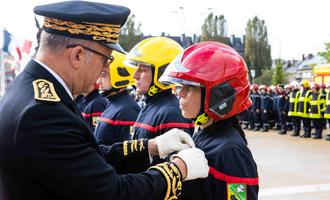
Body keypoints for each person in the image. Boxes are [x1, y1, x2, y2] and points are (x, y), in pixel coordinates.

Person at [0, 1, 209, 199]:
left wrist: (152, 146)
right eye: (105, 59)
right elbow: (112, 193)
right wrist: (178, 169)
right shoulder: (43, 113)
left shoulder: (31, 90)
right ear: (78, 56)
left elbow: (88, 157)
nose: (105, 70)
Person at [160, 41, 259, 199]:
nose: (180, 93)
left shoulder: (231, 153)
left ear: (219, 95)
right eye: (179, 86)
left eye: (190, 86)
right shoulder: (204, 134)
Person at [124, 36, 195, 165]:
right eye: (136, 68)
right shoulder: (151, 105)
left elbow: (176, 172)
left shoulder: (171, 114)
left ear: (162, 73)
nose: (135, 75)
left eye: (143, 69)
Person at [94, 51, 140, 147]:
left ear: (118, 76)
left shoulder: (127, 110)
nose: (98, 81)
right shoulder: (114, 104)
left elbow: (128, 153)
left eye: (103, 75)